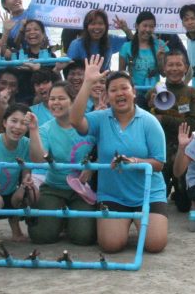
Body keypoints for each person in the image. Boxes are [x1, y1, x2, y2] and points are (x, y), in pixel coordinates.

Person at [70, 57, 168, 254]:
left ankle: (144, 222)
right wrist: (87, 83)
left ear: (134, 92)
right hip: (113, 194)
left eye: (124, 88)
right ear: (107, 96)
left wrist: (136, 162)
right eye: (113, 90)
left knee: (155, 245)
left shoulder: (149, 122)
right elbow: (75, 120)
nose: (119, 94)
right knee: (111, 246)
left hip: (148, 194)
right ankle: (125, 224)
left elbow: (159, 163)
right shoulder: (100, 119)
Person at [27, 82, 99, 245]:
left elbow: (106, 150)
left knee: (84, 238)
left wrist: (93, 167)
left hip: (82, 190)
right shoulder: (45, 129)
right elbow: (38, 159)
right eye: (52, 99)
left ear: (73, 101)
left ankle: (68, 220)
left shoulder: (90, 122)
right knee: (41, 236)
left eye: (61, 98)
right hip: (54, 187)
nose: (55, 103)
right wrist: (33, 130)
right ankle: (58, 218)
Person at [148, 50, 195, 210]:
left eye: (179, 64)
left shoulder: (193, 93)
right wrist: (150, 106)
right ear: (164, 68)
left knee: (184, 206)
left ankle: (178, 186)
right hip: (160, 148)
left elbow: (192, 125)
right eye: (170, 65)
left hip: (182, 149)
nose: (174, 69)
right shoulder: (154, 91)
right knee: (157, 201)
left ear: (186, 68)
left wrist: (163, 119)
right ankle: (169, 183)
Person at [0, 102, 34, 241]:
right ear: (4, 122)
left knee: (23, 195)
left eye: (23, 123)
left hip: (10, 191)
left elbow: (26, 174)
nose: (18, 127)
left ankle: (16, 231)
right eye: (13, 121)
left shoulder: (27, 144)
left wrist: (24, 186)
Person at [7, 18, 61, 104]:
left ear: (43, 34)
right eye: (28, 30)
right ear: (24, 36)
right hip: (23, 99)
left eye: (36, 29)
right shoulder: (19, 55)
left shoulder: (51, 55)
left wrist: (38, 68)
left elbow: (56, 80)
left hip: (46, 99)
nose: (32, 32)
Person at [118, 11, 168, 90]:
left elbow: (164, 74)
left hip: (154, 94)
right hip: (134, 93)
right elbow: (120, 76)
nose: (148, 29)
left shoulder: (160, 45)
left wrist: (160, 60)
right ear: (137, 26)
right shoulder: (126, 47)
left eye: (151, 26)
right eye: (144, 26)